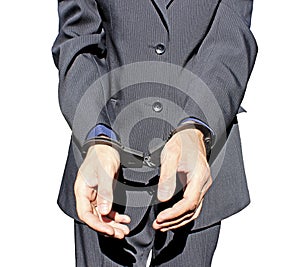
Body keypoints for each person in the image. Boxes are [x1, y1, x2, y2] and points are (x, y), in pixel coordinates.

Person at [51, 0, 257, 266]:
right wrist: (97, 136)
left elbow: (231, 40)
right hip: (106, 176)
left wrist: (196, 125)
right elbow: (77, 41)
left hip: (198, 167)